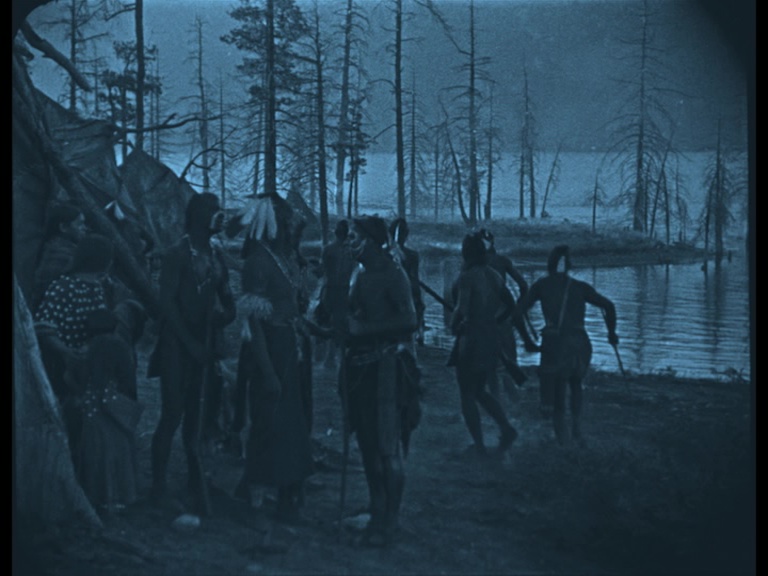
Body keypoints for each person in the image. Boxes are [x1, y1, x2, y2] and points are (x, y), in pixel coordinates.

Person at [147, 192, 236, 516]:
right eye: (214, 210)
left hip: (205, 345)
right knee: (173, 414)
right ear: (198, 216)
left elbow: (227, 299)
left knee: (198, 418)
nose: (221, 215)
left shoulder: (216, 255)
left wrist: (226, 315)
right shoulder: (176, 255)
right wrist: (190, 344)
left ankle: (196, 483)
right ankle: (158, 488)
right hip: (176, 346)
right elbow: (167, 305)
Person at [230, 193, 314, 523]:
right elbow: (255, 323)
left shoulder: (282, 258)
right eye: (286, 223)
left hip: (290, 347)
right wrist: (267, 371)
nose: (291, 228)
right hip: (272, 351)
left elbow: (289, 307)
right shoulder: (258, 262)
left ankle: (283, 489)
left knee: (290, 422)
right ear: (273, 226)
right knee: (271, 421)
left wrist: (308, 328)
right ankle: (262, 491)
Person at [341, 215, 421, 547]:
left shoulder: (393, 273)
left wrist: (364, 329)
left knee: (387, 448)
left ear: (372, 242)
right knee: (367, 445)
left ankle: (390, 521)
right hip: (360, 370)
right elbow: (352, 315)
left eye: (354, 237)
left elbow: (410, 320)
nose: (348, 242)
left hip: (387, 370)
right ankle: (377, 509)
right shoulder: (359, 272)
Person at [513, 244, 619, 445]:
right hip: (580, 342)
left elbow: (517, 314)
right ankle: (577, 430)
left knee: (558, 391)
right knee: (576, 383)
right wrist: (611, 333)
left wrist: (528, 341)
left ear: (550, 264)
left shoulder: (541, 286)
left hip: (556, 344)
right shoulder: (580, 287)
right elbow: (609, 306)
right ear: (568, 265)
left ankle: (563, 439)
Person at [33, 233, 119, 459]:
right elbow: (44, 328)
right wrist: (66, 352)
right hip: (61, 368)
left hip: (90, 369)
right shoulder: (62, 287)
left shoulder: (100, 287)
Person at [449, 233, 519, 457]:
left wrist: (454, 325)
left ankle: (478, 445)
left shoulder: (467, 277)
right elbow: (511, 304)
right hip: (490, 337)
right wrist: (494, 322)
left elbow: (462, 310)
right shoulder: (494, 275)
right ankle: (506, 428)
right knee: (479, 390)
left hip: (471, 339)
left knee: (467, 393)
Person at [73, 308, 143, 517]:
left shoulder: (87, 350)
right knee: (119, 452)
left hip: (93, 409)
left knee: (96, 453)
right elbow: (129, 381)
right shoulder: (121, 347)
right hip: (116, 408)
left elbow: (80, 381)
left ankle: (98, 497)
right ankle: (120, 497)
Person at [478, 228, 539, 398]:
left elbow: (523, 286)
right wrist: (518, 308)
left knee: (492, 361)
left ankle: (499, 395)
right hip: (503, 315)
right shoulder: (502, 261)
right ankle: (510, 395)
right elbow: (523, 286)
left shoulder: (473, 264)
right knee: (508, 356)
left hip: (485, 318)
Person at [31, 202, 88, 311]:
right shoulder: (59, 254)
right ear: (63, 227)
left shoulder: (64, 249)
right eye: (80, 224)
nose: (85, 228)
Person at [317, 219, 356, 368]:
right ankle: (331, 356)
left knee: (335, 322)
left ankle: (331, 356)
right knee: (334, 321)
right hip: (335, 289)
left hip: (338, 289)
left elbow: (321, 271)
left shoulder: (346, 250)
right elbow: (322, 270)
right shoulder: (340, 250)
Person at [389, 218, 426, 347]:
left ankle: (418, 334)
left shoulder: (410, 255)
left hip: (405, 290)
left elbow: (414, 278)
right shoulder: (389, 254)